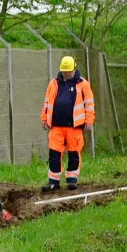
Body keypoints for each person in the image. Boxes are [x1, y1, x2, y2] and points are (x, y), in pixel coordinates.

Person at [40, 55, 95, 191]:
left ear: (74, 69)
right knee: (54, 153)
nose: (66, 74)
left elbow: (89, 104)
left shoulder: (83, 84)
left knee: (74, 153)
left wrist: (89, 120)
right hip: (56, 126)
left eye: (68, 71)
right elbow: (47, 102)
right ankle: (53, 181)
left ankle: (72, 179)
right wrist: (44, 118)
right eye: (64, 71)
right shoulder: (54, 83)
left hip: (74, 127)